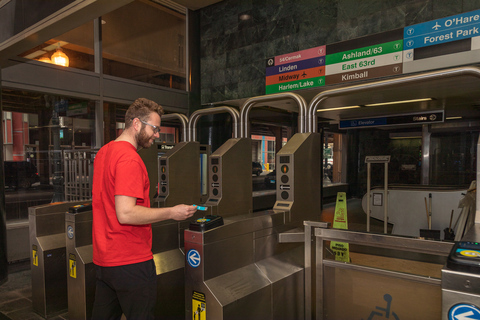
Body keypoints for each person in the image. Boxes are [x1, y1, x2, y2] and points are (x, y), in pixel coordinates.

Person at [91, 98, 197, 319]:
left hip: (104, 261)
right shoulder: (130, 159)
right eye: (155, 129)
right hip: (131, 262)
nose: (157, 135)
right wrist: (172, 212)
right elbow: (126, 212)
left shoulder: (104, 153)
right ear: (137, 124)